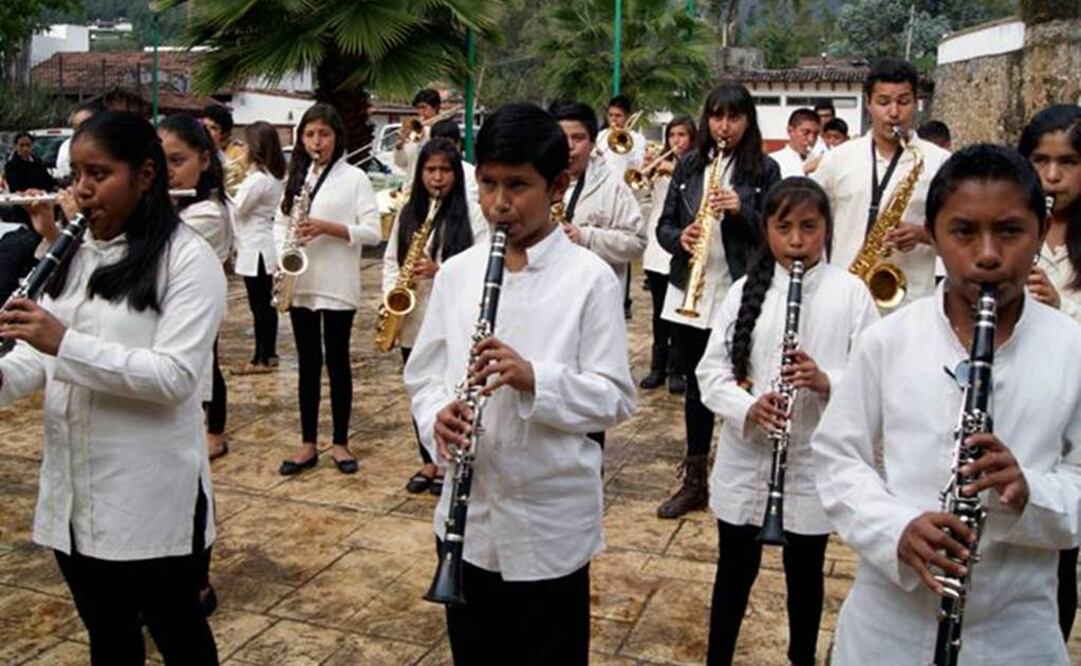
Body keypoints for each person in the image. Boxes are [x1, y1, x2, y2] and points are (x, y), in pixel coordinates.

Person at [812, 144, 1081, 665]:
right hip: (887, 630)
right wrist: (896, 529)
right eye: (963, 233)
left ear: (1040, 228)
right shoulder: (888, 340)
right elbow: (837, 457)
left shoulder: (1071, 348)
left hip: (1016, 633)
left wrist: (1031, 493)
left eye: (1009, 231)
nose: (987, 254)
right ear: (932, 235)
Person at [403, 102, 636, 666]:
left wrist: (535, 378)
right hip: (469, 523)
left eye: (518, 186)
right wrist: (437, 416)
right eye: (487, 184)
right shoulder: (459, 272)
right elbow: (425, 373)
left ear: (557, 184)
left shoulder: (589, 279)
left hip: (550, 526)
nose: (499, 203)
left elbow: (615, 396)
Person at [0, 110, 223, 664]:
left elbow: (175, 377)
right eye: (77, 174)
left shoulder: (188, 260)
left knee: (180, 639)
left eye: (98, 174)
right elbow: (36, 357)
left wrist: (64, 343)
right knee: (110, 640)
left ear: (145, 175)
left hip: (148, 500)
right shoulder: (74, 252)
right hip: (73, 495)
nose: (81, 189)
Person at [699, 177, 878, 665]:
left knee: (806, 573)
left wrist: (825, 381)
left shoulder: (851, 294)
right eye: (784, 228)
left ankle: (802, 656)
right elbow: (710, 372)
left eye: (809, 227)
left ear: (827, 229)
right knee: (733, 571)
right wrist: (748, 406)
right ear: (767, 231)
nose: (796, 240)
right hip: (746, 458)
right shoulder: (742, 292)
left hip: (810, 461)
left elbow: (873, 377)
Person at [654, 82, 781, 519]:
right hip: (690, 289)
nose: (724, 126)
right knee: (694, 386)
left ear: (748, 121)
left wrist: (741, 210)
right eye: (716, 116)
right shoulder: (689, 165)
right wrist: (680, 238)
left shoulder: (765, 171)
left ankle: (743, 478)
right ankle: (694, 480)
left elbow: (773, 230)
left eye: (733, 116)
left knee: (739, 381)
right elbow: (664, 226)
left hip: (738, 291)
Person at [275, 103, 381, 476]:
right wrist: (281, 255)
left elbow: (373, 231)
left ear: (337, 137)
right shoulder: (298, 178)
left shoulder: (355, 178)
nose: (316, 142)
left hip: (337, 283)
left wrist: (327, 227)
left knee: (337, 363)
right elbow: (280, 222)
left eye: (323, 134)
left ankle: (339, 442)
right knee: (307, 364)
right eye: (309, 134)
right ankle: (307, 443)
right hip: (302, 280)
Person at [382, 137, 487, 495]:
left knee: (451, 385)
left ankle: (449, 459)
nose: (437, 178)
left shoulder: (472, 213)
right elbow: (389, 262)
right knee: (420, 386)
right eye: (430, 170)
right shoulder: (407, 211)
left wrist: (439, 270)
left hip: (454, 318)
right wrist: (389, 298)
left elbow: (481, 265)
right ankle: (427, 459)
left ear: (457, 173)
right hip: (413, 315)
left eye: (444, 170)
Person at [813, 57, 951, 311]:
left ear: (916, 103)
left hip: (910, 305)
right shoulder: (837, 160)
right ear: (868, 104)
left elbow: (960, 235)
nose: (894, 113)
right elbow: (814, 223)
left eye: (903, 102)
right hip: (845, 300)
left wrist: (922, 235)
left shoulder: (939, 162)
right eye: (883, 102)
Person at [1017, 104, 1081, 641]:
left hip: (1070, 428)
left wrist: (1059, 315)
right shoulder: (1013, 229)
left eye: (1068, 163)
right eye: (1040, 161)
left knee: (1059, 560)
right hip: (1014, 408)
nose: (1053, 176)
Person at [159, 114, 233, 462]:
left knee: (207, 365)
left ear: (204, 160)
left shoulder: (208, 212)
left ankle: (215, 433)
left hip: (196, 305)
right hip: (167, 306)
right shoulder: (175, 204)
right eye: (160, 162)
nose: (168, 171)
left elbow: (160, 247)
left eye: (177, 161)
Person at [548, 100, 646, 292]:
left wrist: (585, 236)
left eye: (578, 138)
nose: (569, 146)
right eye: (561, 137)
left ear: (593, 142)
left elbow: (637, 242)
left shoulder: (613, 185)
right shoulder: (534, 182)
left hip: (595, 299)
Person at [640, 115, 695, 394]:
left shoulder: (695, 166)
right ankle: (657, 368)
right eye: (672, 135)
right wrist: (647, 171)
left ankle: (677, 369)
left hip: (680, 246)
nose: (677, 141)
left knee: (676, 313)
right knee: (658, 313)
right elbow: (638, 189)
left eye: (683, 135)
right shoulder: (658, 163)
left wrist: (672, 169)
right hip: (655, 247)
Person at [232, 121, 287, 375]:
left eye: (244, 144)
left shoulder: (257, 180)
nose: (240, 149)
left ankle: (260, 358)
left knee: (259, 307)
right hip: (260, 245)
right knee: (265, 305)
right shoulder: (272, 177)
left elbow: (238, 208)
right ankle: (268, 353)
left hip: (255, 247)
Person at [394, 89, 442, 194]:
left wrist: (425, 132)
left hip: (430, 189)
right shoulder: (415, 131)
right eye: (418, 108)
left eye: (424, 107)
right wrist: (399, 148)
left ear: (436, 107)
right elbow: (401, 163)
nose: (420, 112)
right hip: (410, 189)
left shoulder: (442, 130)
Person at [596, 94, 647, 180]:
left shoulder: (637, 138)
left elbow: (638, 165)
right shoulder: (600, 135)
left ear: (627, 117)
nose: (613, 119)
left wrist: (625, 149)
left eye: (618, 115)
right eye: (610, 115)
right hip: (602, 184)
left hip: (623, 185)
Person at [429, 118, 479, 203]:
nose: (442, 152)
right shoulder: (425, 171)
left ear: (458, 145)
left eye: (447, 146)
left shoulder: (471, 174)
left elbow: (470, 203)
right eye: (437, 147)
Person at [55, 99, 106, 182]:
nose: (78, 133)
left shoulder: (113, 151)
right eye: (75, 128)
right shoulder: (67, 147)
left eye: (84, 127)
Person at [203, 104, 244, 197]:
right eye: (205, 126)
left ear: (224, 134)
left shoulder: (227, 166)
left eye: (213, 128)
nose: (206, 131)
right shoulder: (191, 157)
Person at [769, 108, 822, 179]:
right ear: (790, 131)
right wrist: (805, 169)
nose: (811, 139)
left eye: (815, 134)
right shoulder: (773, 160)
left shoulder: (820, 161)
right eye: (805, 133)